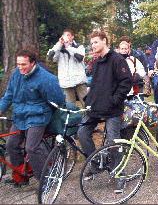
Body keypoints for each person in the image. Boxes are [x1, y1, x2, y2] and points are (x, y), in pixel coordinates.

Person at [77, 30, 132, 193]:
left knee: (113, 141)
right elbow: (95, 85)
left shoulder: (117, 59)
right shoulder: (96, 61)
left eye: (95, 42)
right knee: (82, 132)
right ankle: (97, 162)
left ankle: (120, 174)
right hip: (95, 107)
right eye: (91, 43)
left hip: (112, 109)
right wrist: (88, 100)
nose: (93, 45)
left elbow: (126, 82)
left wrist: (114, 100)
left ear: (104, 41)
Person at [0, 48, 65, 185]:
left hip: (38, 116)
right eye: (18, 64)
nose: (20, 67)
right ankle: (21, 176)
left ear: (33, 63)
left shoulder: (46, 78)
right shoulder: (16, 74)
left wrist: (45, 110)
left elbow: (58, 99)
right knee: (11, 145)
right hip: (20, 115)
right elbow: (9, 96)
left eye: (23, 64)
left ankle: (46, 178)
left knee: (31, 147)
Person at [47, 28, 87, 106]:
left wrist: (68, 47)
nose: (66, 37)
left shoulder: (79, 47)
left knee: (86, 103)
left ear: (72, 37)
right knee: (69, 106)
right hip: (66, 82)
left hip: (79, 80)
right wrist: (59, 44)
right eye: (64, 35)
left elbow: (80, 58)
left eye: (68, 35)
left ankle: (90, 118)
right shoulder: (59, 49)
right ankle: (72, 118)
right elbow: (50, 57)